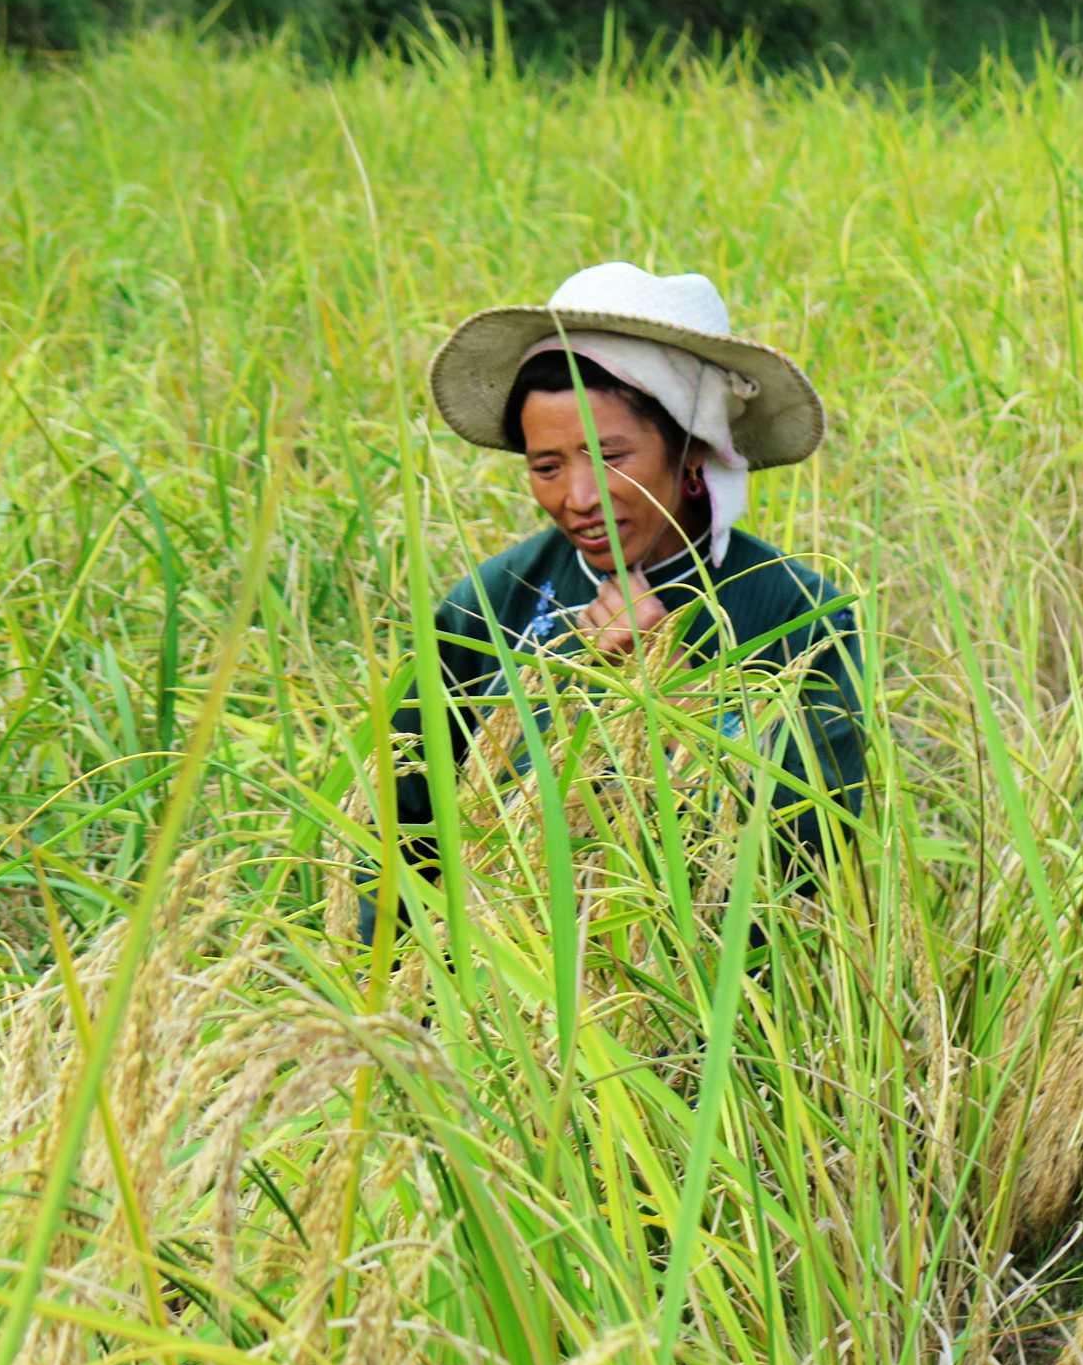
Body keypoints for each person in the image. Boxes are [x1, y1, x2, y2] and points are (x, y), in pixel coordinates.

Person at [369, 262, 864, 932]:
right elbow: (403, 835)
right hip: (512, 999)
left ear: (691, 449)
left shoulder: (796, 611)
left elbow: (815, 844)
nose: (578, 499)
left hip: (730, 1006)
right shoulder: (489, 606)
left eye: (611, 457)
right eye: (547, 467)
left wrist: (673, 688)